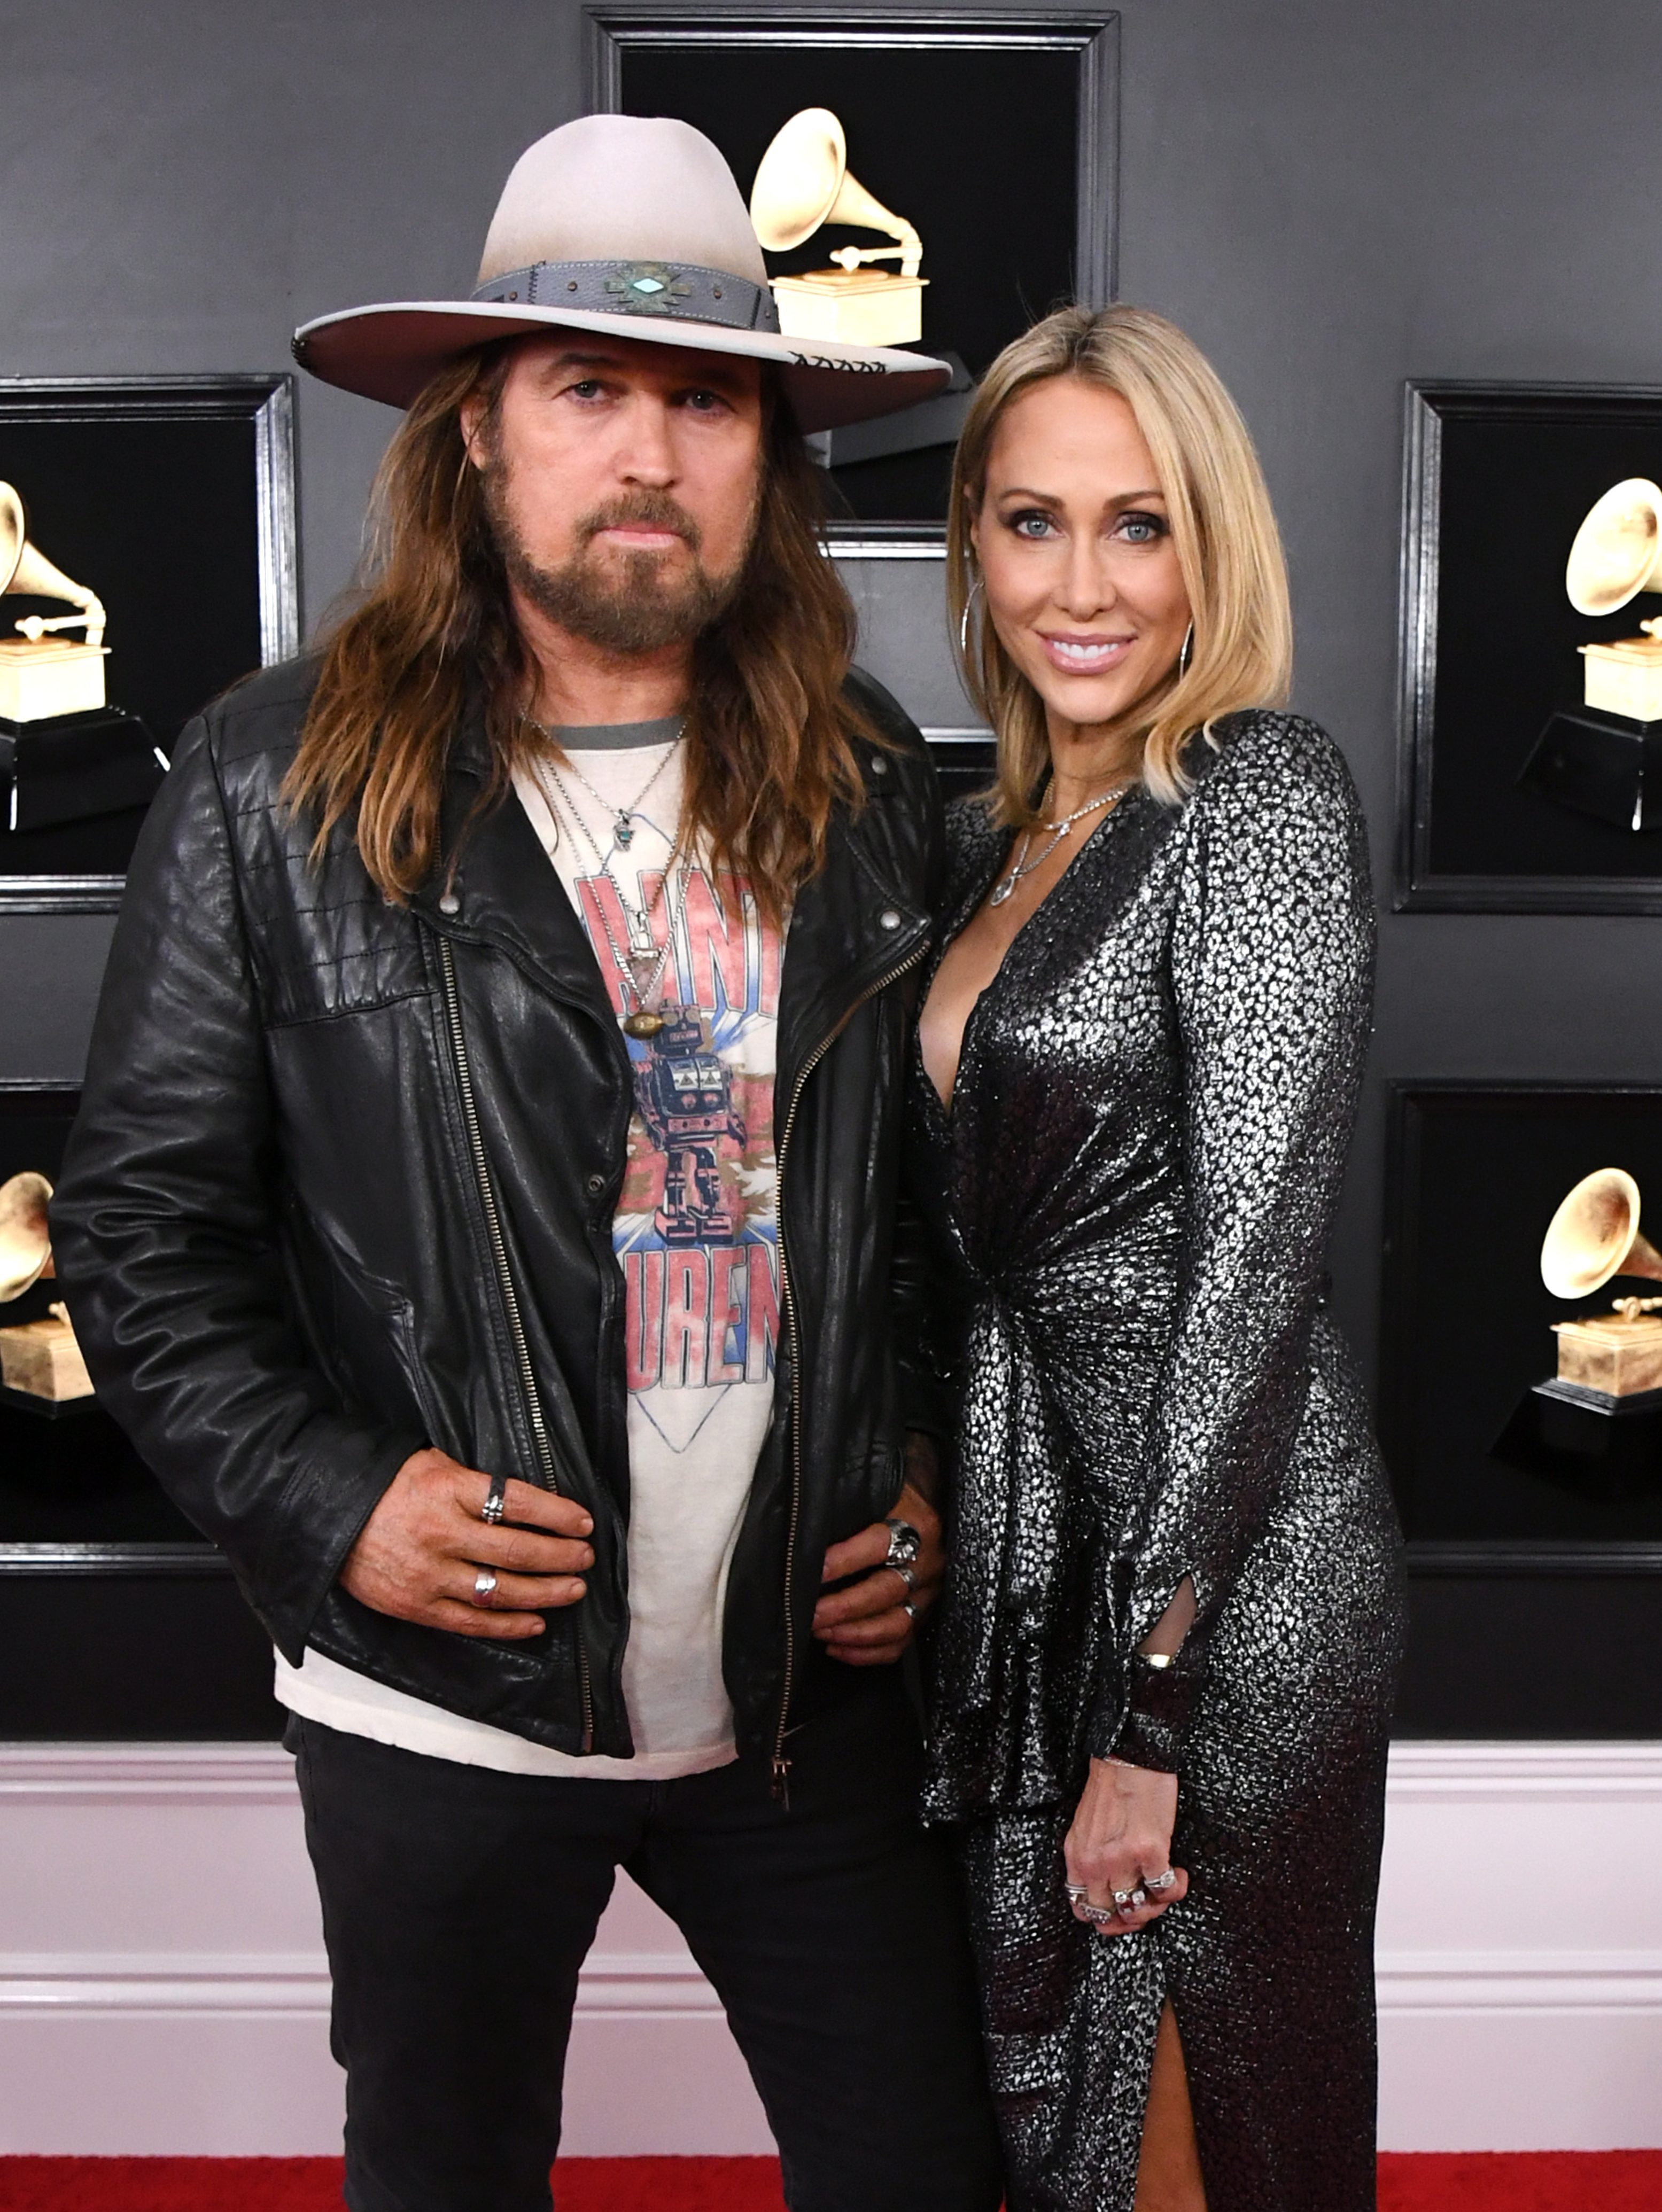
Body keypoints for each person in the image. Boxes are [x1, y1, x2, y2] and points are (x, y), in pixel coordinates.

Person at [52, 115, 1002, 2212]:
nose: (648, 449)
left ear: (770, 450)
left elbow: (930, 1232)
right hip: (442, 1714)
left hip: (800, 1709)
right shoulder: (268, 784)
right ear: (479, 432)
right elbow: (137, 1236)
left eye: (705, 397)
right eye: (589, 386)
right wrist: (330, 1502)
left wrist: (918, 1478)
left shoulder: (868, 795)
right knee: (447, 2176)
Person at [909, 303, 1407, 2212]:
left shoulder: (1255, 798)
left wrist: (1155, 1708)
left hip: (1233, 1594)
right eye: (1034, 522)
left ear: (1215, 548)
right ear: (975, 542)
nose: (1085, 583)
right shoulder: (1001, 834)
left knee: (1180, 2122)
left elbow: (1253, 1278)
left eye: (1142, 523)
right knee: (1056, 2122)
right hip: (1037, 1570)